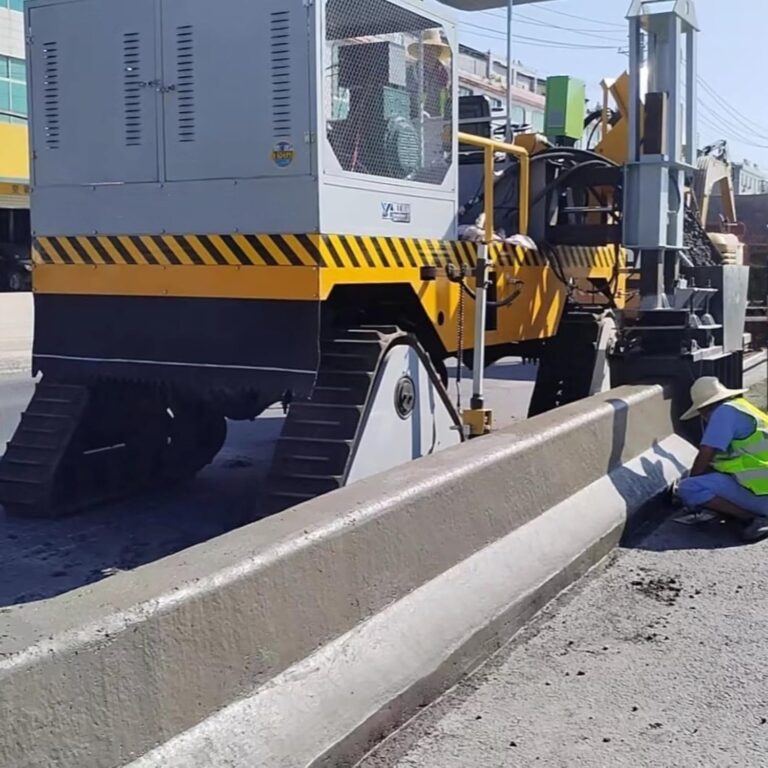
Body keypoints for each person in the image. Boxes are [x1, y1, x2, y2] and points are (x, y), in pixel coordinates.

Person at [677, 376, 768, 542]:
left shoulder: (723, 413)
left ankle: (752, 517)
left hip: (764, 494)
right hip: (763, 486)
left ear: (704, 408)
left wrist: (690, 492)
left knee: (689, 488)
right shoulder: (742, 407)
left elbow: (706, 452)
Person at [407, 29, 451, 119]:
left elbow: (450, 100)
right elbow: (407, 97)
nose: (428, 52)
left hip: (440, 121)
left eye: (432, 48)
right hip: (416, 120)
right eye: (425, 48)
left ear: (438, 51)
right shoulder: (411, 71)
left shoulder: (447, 74)